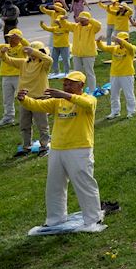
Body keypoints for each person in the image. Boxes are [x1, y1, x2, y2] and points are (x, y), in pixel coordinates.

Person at [18, 72, 103, 230]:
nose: (66, 86)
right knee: (54, 185)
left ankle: (93, 218)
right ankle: (55, 219)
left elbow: (88, 104)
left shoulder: (89, 99)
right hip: (57, 149)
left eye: (71, 83)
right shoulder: (58, 102)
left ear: (81, 85)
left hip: (79, 148)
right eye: (65, 84)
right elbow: (37, 105)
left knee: (84, 184)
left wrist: (65, 95)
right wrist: (24, 99)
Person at [4, 43, 54, 156]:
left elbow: (49, 60)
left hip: (39, 99)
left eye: (33, 51)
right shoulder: (24, 63)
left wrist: (34, 52)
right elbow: (8, 60)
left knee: (42, 125)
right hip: (25, 99)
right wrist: (3, 53)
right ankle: (26, 146)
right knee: (24, 124)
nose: (30, 54)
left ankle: (44, 146)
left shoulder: (43, 65)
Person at [96, 32, 136, 120]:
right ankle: (115, 112)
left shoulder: (131, 48)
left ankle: (131, 111)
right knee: (114, 95)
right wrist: (98, 41)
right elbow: (103, 48)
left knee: (128, 94)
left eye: (121, 40)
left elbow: (129, 47)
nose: (118, 42)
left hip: (127, 74)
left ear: (127, 40)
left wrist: (118, 39)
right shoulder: (115, 48)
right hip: (114, 74)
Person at [67, 11, 102, 95]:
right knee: (77, 73)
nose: (81, 21)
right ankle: (77, 90)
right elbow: (66, 25)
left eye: (83, 19)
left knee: (89, 72)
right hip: (76, 53)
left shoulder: (92, 28)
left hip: (88, 54)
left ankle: (92, 90)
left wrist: (89, 19)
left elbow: (98, 25)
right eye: (80, 19)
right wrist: (61, 19)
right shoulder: (76, 27)